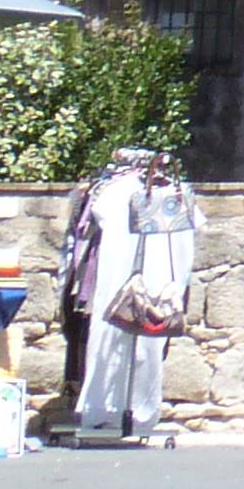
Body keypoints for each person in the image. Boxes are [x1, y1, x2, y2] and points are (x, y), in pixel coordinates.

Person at [65, 148, 198, 444]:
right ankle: (118, 410)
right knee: (116, 341)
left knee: (143, 344)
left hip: (148, 277)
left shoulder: (177, 192)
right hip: (133, 276)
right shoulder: (115, 192)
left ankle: (130, 411)